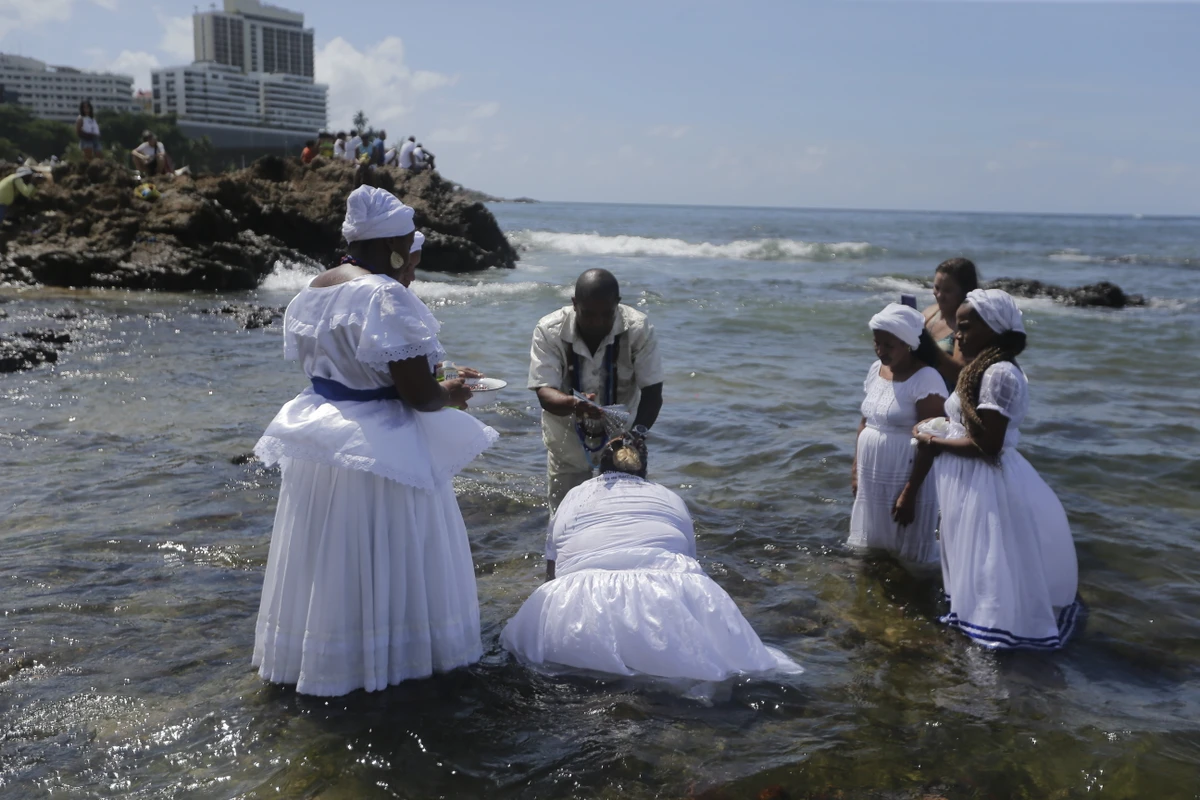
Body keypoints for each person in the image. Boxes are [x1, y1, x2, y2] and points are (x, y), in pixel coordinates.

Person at [251, 185, 499, 696]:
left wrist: (434, 376)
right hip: (378, 448)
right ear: (389, 249)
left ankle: (330, 659)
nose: (413, 265)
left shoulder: (311, 291)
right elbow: (415, 395)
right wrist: (451, 392)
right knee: (390, 547)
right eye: (409, 252)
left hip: (324, 443)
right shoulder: (384, 294)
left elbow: (358, 369)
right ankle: (395, 660)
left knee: (334, 552)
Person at [501, 434, 801, 681]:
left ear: (600, 467)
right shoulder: (670, 497)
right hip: (665, 597)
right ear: (644, 469)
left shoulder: (575, 495)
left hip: (580, 602)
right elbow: (687, 562)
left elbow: (552, 572)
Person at [914, 289, 1081, 650]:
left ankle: (993, 636)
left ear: (993, 327)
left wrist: (933, 442)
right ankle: (972, 623)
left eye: (966, 327)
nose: (957, 334)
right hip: (973, 479)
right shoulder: (982, 367)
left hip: (988, 482)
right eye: (958, 327)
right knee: (977, 559)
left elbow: (987, 444)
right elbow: (970, 427)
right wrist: (939, 426)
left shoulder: (999, 374)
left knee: (991, 562)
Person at [528, 269, 665, 511]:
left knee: (623, 510)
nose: (597, 323)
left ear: (618, 305)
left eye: (606, 314)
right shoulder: (549, 330)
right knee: (566, 511)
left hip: (623, 436)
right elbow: (544, 393)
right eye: (588, 314)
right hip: (566, 432)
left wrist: (635, 436)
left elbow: (653, 393)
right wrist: (574, 404)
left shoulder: (638, 328)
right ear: (574, 304)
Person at [849, 304, 947, 567]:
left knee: (908, 553)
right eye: (877, 343)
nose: (880, 350)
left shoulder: (927, 379)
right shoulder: (875, 369)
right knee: (874, 550)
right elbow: (864, 422)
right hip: (873, 472)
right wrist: (856, 467)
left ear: (908, 344)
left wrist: (910, 493)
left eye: (888, 345)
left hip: (906, 474)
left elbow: (931, 443)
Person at [921, 257, 980, 388]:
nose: (939, 295)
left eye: (947, 290)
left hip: (947, 401)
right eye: (937, 287)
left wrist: (927, 346)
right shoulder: (929, 313)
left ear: (965, 292)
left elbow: (960, 374)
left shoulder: (966, 326)